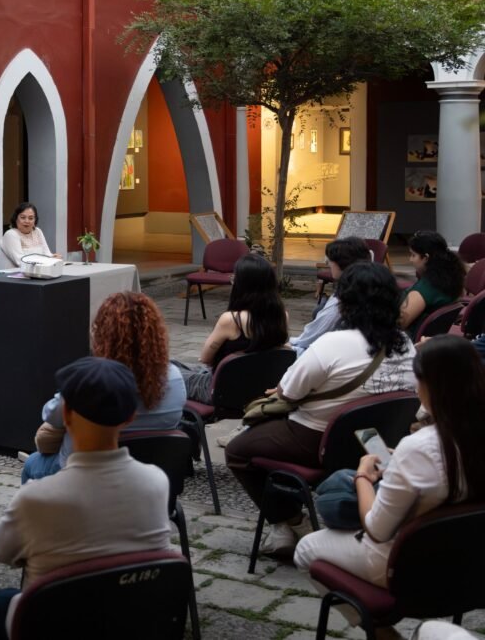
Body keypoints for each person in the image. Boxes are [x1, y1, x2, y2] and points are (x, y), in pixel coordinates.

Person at [0, 357, 171, 640]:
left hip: (47, 622)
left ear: (67, 414)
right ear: (130, 417)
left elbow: (2, 552)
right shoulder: (157, 483)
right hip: (125, 619)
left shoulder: (37, 496)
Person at [227, 262, 417, 559]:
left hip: (315, 438)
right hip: (374, 442)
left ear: (346, 301)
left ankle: (291, 520)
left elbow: (289, 391)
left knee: (237, 450)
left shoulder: (332, 343)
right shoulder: (405, 344)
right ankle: (287, 526)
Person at [294, 336, 485, 616]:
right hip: (470, 561)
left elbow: (377, 529)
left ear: (430, 386)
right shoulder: (465, 437)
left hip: (409, 563)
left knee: (306, 548)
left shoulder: (420, 447)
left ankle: (381, 632)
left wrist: (361, 478)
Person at [21, 292, 185, 482]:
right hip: (148, 474)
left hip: (82, 474)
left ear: (104, 335)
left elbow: (51, 414)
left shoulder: (90, 381)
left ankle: (38, 509)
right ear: (157, 334)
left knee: (32, 463)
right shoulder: (174, 378)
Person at [173, 253, 289, 403]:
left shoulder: (231, 320)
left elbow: (206, 358)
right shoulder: (282, 316)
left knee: (164, 370)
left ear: (242, 285)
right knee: (176, 365)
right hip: (259, 387)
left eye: (234, 279)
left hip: (221, 390)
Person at [291, 237, 371, 356]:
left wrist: (288, 344)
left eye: (331, 260)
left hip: (335, 355)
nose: (328, 263)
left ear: (342, 264)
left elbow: (310, 338)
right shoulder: (369, 287)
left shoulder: (344, 299)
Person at [400, 230, 465, 337]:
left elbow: (398, 324)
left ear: (426, 258)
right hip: (431, 341)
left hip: (407, 342)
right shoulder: (451, 278)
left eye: (413, 255)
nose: (410, 259)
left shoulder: (425, 289)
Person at [0, 202, 59, 270]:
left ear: (35, 220)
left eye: (31, 218)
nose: (27, 221)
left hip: (34, 273)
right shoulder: (11, 234)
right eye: (23, 217)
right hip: (8, 277)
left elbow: (47, 254)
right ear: (16, 218)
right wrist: (46, 261)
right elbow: (20, 261)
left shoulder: (37, 231)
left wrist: (53, 258)